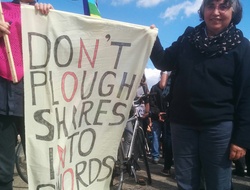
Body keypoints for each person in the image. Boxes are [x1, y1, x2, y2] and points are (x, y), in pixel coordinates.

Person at [150, 0, 250, 189]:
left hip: (219, 128)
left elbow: (247, 95)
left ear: (233, 12)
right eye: (210, 6)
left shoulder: (242, 47)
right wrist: (152, 39)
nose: (216, 12)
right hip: (182, 124)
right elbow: (164, 62)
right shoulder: (188, 38)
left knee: (218, 183)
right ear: (203, 10)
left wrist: (241, 140)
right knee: (186, 183)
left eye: (223, 6)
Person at [0, 1, 53, 189]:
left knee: (45, 167)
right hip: (4, 97)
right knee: (3, 171)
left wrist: (53, 21)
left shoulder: (43, 12)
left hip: (38, 100)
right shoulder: (1, 9)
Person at [148, 71, 166, 164]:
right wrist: (159, 113)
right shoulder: (155, 88)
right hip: (158, 117)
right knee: (157, 136)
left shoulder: (155, 88)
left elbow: (152, 103)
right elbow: (152, 103)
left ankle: (157, 156)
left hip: (163, 116)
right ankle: (157, 156)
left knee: (158, 136)